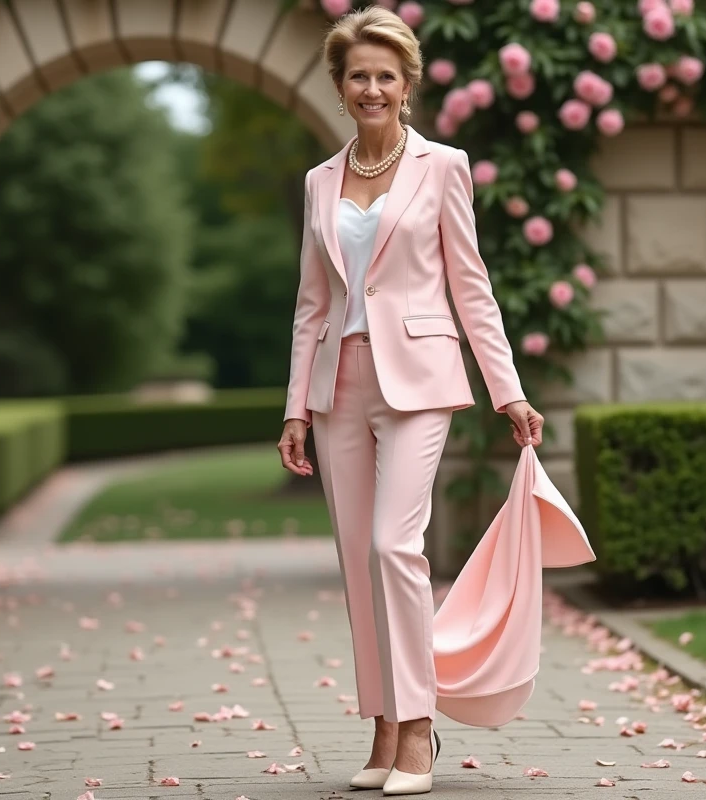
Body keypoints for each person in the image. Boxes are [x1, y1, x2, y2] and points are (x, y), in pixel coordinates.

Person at [275, 5, 544, 797]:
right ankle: (383, 725)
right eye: (357, 74)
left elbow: (472, 286)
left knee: (397, 546)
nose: (371, 87)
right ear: (339, 85)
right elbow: (310, 302)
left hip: (420, 381)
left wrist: (508, 390)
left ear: (407, 85)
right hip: (338, 388)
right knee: (359, 561)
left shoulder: (444, 166)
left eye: (385, 75)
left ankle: (420, 725)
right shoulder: (320, 180)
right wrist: (296, 407)